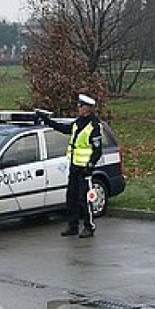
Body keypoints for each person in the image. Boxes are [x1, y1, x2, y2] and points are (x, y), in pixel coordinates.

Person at [36, 94, 102, 238]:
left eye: (80, 106)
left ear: (88, 109)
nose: (78, 108)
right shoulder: (78, 122)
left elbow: (97, 150)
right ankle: (73, 226)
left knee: (84, 199)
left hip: (85, 169)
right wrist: (48, 121)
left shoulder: (94, 126)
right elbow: (65, 129)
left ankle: (89, 227)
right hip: (74, 166)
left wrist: (89, 167)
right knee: (71, 197)